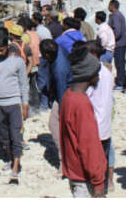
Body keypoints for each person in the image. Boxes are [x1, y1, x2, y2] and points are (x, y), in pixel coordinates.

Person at [59, 44, 107, 197]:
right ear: (89, 73)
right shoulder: (81, 104)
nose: (98, 76)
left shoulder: (68, 95)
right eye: (97, 72)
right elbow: (88, 146)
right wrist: (98, 182)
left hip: (74, 172)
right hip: (85, 178)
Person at [0, 27, 29, 182]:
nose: (0, 53)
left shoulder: (18, 62)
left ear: (8, 47)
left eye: (2, 50)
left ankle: (16, 166)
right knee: (3, 137)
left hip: (14, 103)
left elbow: (24, 84)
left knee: (16, 136)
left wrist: (25, 105)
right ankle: (10, 159)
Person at [84, 40, 115, 192]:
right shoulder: (107, 71)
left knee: (95, 160)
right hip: (105, 123)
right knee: (104, 156)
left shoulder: (92, 73)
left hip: (95, 122)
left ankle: (97, 190)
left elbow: (85, 97)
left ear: (93, 54)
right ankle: (104, 188)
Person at [38, 38, 72, 173]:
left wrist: (64, 113)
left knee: (54, 125)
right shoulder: (59, 49)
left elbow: (62, 91)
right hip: (67, 92)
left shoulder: (59, 69)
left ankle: (64, 161)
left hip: (66, 96)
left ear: (47, 55)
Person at [107, 0, 126, 90]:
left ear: (112, 6)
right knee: (119, 63)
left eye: (109, 5)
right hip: (120, 43)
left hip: (118, 44)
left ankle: (120, 83)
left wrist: (111, 40)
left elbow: (117, 32)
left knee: (119, 64)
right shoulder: (119, 14)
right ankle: (120, 82)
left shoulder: (115, 16)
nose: (108, 7)